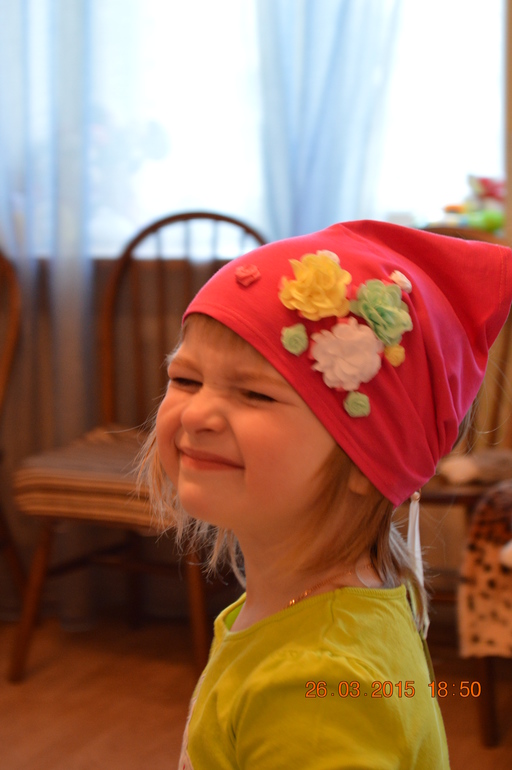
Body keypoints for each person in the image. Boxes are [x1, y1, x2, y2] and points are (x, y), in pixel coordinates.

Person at [141, 220, 512, 769]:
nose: (196, 414)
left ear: (368, 458)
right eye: (186, 380)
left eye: (254, 393)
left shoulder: (316, 684)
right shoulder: (315, 614)